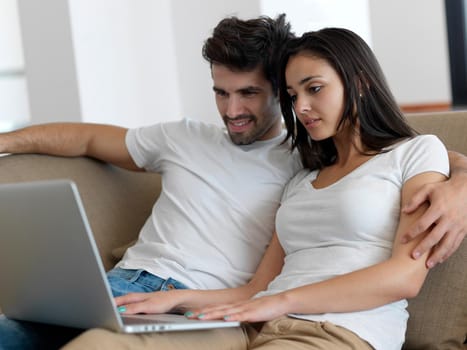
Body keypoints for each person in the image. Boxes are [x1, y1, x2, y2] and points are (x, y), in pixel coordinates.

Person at [0, 14, 465, 349]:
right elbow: (252, 290)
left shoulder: (405, 153)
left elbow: (405, 275)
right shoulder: (302, 178)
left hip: (324, 329)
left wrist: (463, 181)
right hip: (235, 317)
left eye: (314, 89)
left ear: (357, 82)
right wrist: (172, 302)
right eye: (293, 94)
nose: (301, 107)